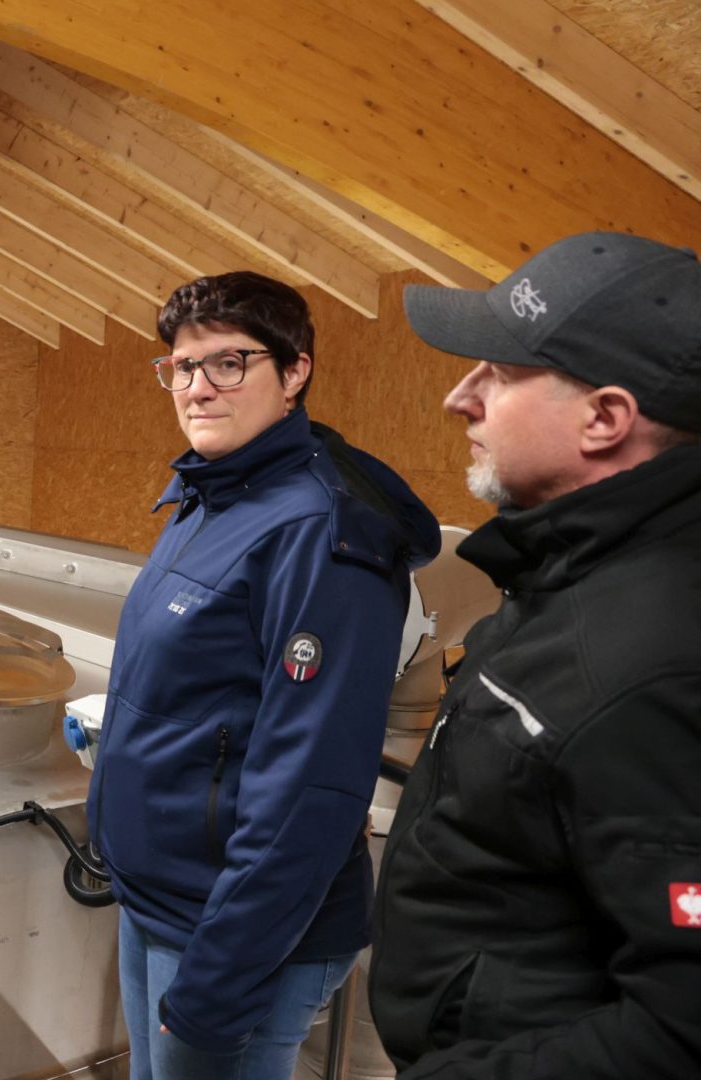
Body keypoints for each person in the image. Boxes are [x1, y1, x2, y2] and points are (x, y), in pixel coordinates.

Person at [88, 271, 439, 1078]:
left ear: (295, 372)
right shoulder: (210, 492)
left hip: (236, 936)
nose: (197, 387)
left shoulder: (318, 534)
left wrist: (218, 980)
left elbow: (308, 787)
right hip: (165, 903)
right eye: (182, 366)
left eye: (228, 363)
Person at [369, 232, 701, 1078]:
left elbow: (681, 1029)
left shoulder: (652, 661)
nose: (460, 397)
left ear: (605, 419)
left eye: (499, 374)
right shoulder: (567, 570)